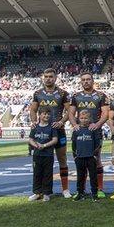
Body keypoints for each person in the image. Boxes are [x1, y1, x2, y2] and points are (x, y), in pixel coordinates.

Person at [30, 68, 72, 198]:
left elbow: (70, 111)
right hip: (42, 132)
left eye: (51, 76)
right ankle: (39, 191)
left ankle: (65, 189)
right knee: (40, 162)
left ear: (55, 78)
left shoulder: (63, 93)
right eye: (46, 76)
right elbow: (33, 110)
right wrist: (33, 122)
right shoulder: (37, 93)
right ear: (43, 78)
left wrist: (62, 122)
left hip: (58, 131)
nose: (48, 78)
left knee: (62, 159)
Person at [68, 72, 109, 198]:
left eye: (88, 79)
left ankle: (99, 189)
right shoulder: (76, 96)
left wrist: (97, 124)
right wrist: (75, 124)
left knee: (97, 160)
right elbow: (71, 113)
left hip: (95, 132)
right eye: (83, 80)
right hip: (81, 132)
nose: (86, 81)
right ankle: (82, 190)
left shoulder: (101, 96)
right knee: (81, 162)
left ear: (92, 81)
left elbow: (105, 114)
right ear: (81, 82)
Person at [28, 107, 58, 202]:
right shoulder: (35, 127)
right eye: (44, 114)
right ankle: (37, 193)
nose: (46, 116)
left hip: (48, 155)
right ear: (39, 115)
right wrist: (36, 146)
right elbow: (30, 139)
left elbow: (55, 140)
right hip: (37, 155)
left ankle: (46, 193)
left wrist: (44, 145)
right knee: (37, 174)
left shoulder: (52, 127)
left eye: (48, 114)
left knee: (47, 174)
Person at [72, 110, 102, 202]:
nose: (84, 120)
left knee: (93, 176)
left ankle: (94, 194)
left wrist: (95, 155)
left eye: (86, 118)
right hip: (80, 157)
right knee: (80, 177)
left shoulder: (93, 130)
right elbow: (73, 144)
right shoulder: (76, 131)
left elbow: (98, 144)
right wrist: (75, 156)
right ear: (78, 119)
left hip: (90, 157)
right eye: (81, 118)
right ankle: (80, 193)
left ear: (90, 119)